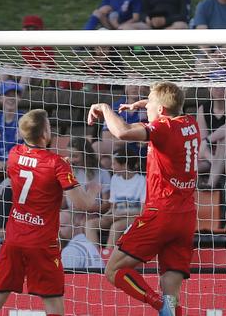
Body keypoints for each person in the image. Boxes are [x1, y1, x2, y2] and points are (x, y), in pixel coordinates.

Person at [87, 81, 200, 316]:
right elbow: (168, 111)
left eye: (150, 104)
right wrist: (150, 103)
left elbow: (123, 132)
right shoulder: (191, 123)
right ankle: (165, 307)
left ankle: (156, 303)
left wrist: (106, 108)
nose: (146, 110)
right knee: (171, 291)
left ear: (160, 111)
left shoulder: (163, 129)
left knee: (113, 270)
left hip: (161, 213)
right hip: (186, 216)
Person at [0, 109, 96, 316]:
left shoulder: (14, 154)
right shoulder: (56, 164)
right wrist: (92, 188)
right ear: (45, 134)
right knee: (54, 304)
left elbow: (30, 174)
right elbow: (83, 204)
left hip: (14, 239)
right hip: (42, 243)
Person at [85, 147, 145, 248]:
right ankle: (95, 257)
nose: (111, 167)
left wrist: (121, 214)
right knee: (90, 224)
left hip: (134, 217)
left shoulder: (142, 180)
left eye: (114, 164)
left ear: (125, 165)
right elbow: (113, 207)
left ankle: (107, 257)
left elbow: (142, 211)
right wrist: (108, 215)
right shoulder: (115, 179)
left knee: (115, 227)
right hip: (117, 215)